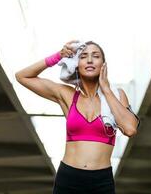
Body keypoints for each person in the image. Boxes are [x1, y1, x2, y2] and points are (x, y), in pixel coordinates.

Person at [15, 40, 140, 194]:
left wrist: (106, 89)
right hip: (68, 178)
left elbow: (130, 129)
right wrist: (57, 56)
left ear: (103, 65)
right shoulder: (67, 95)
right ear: (76, 64)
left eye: (95, 56)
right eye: (83, 56)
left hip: (102, 181)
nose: (89, 60)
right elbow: (22, 77)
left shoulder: (116, 95)